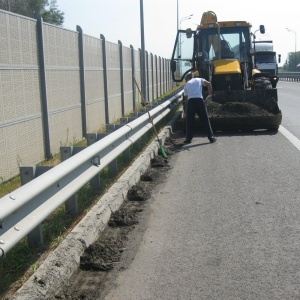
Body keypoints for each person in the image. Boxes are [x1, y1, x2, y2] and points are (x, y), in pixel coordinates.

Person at [183, 72, 217, 144]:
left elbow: (186, 99)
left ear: (187, 79)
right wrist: (210, 94)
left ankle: (188, 139)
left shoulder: (186, 85)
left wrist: (186, 111)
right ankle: (211, 137)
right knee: (205, 119)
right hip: (199, 101)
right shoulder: (199, 79)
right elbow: (208, 84)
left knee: (190, 121)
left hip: (191, 102)